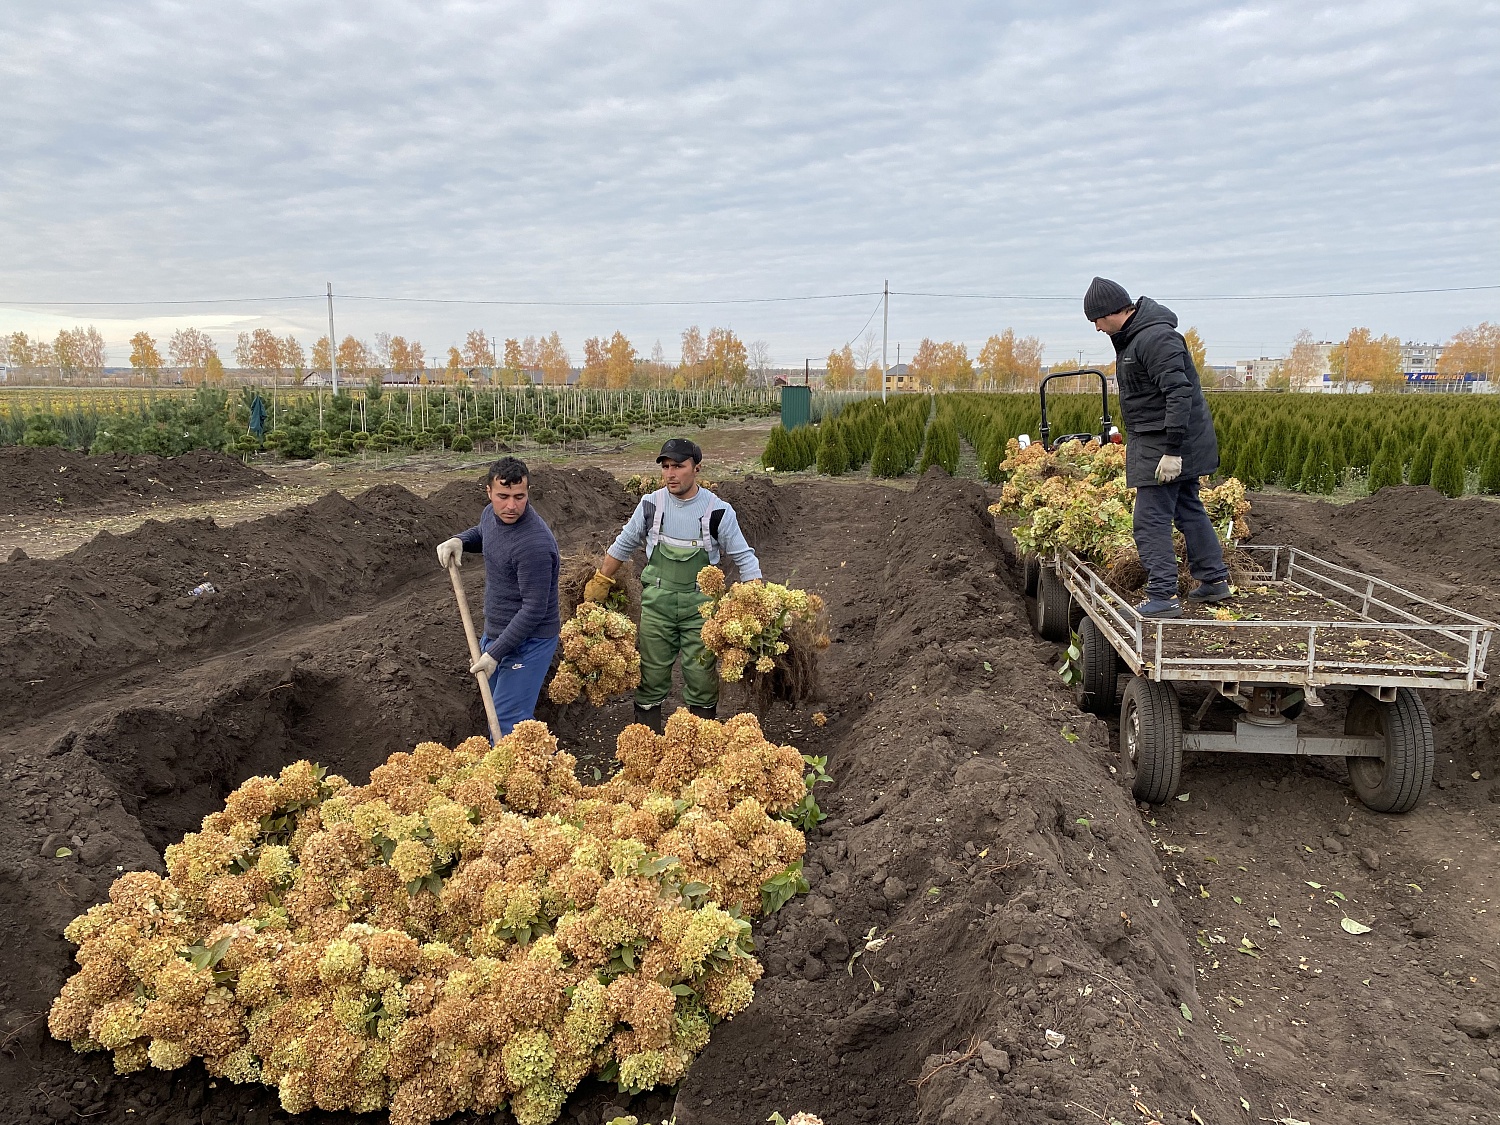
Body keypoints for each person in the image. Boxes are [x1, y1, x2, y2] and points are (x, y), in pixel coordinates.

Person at [584, 438, 762, 731]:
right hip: (657, 607)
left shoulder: (718, 512)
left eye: (678, 466)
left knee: (701, 676)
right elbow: (625, 544)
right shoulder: (651, 505)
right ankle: (646, 742)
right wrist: (602, 580)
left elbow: (744, 558)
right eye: (666, 467)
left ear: (696, 468)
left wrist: (755, 597)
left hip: (701, 611)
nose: (670, 474)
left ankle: (700, 741)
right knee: (650, 676)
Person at [1085, 276, 1232, 619]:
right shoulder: (1140, 336)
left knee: (1149, 519)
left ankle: (1163, 595)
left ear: (1111, 312)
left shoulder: (1154, 338)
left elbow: (1178, 393)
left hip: (1164, 442)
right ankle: (1213, 579)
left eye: (1096, 320)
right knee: (1187, 508)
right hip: (1159, 438)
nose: (1096, 328)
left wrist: (1172, 451)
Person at [436, 456, 561, 735]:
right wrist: (461, 540)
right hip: (497, 630)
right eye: (503, 496)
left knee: (508, 721)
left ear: (528, 492)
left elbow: (534, 610)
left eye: (520, 497)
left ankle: (525, 775)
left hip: (532, 640)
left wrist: (493, 654)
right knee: (494, 707)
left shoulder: (534, 545)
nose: (511, 506)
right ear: (489, 492)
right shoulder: (490, 515)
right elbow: (485, 533)